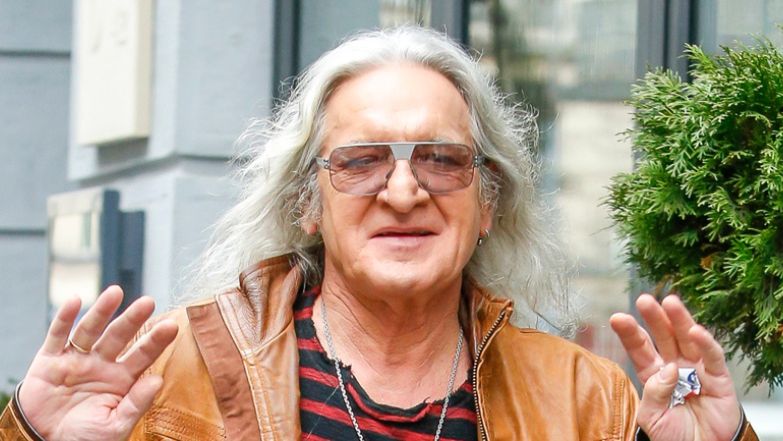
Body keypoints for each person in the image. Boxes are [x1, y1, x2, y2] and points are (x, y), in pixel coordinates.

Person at [0, 27, 757, 441]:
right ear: (308, 202)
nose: (402, 191)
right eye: (360, 161)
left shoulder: (585, 399)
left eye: (441, 159)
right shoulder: (171, 376)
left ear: (488, 202)